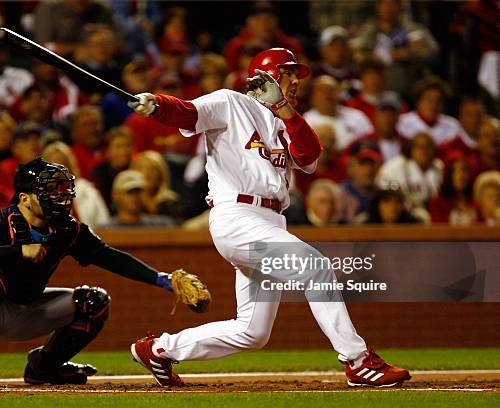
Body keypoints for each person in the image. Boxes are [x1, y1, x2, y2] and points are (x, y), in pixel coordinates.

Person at [126, 47, 410, 387]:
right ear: (269, 76)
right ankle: (358, 361)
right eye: (289, 74)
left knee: (252, 331)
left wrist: (284, 110)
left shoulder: (284, 120)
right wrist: (157, 104)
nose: (295, 82)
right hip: (237, 215)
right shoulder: (232, 102)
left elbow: (309, 157)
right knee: (315, 268)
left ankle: (159, 349)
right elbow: (186, 113)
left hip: (271, 220)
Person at [0, 157, 186, 387]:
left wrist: (163, 279)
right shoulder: (3, 222)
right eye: (48, 190)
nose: (58, 195)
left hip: (24, 310)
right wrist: (19, 251)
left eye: (59, 189)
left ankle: (44, 367)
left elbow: (109, 257)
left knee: (94, 302)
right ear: (25, 198)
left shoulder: (67, 228)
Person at [41, 141, 110, 229]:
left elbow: (103, 222)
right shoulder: (37, 195)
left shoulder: (88, 191)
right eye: (53, 166)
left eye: (62, 164)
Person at [304, 75, 373, 150]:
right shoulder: (306, 122)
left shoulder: (357, 117)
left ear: (339, 94)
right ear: (312, 97)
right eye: (322, 90)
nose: (327, 94)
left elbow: (371, 143)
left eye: (331, 90)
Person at [376, 132, 443, 208]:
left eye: (428, 146)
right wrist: (396, 191)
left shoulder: (439, 167)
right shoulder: (394, 166)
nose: (424, 151)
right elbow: (382, 186)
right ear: (411, 148)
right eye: (420, 146)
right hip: (402, 212)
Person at [396, 76, 463, 146]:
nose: (434, 105)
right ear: (418, 102)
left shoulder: (453, 126)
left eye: (438, 101)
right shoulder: (402, 123)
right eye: (429, 100)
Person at [101, 170, 176, 228]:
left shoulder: (162, 225)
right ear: (115, 195)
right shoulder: (105, 230)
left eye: (139, 191)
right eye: (130, 192)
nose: (135, 197)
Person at [130, 150, 182, 221]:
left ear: (161, 175)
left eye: (152, 169)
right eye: (141, 168)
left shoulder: (171, 203)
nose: (147, 174)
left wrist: (147, 201)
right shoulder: (126, 200)